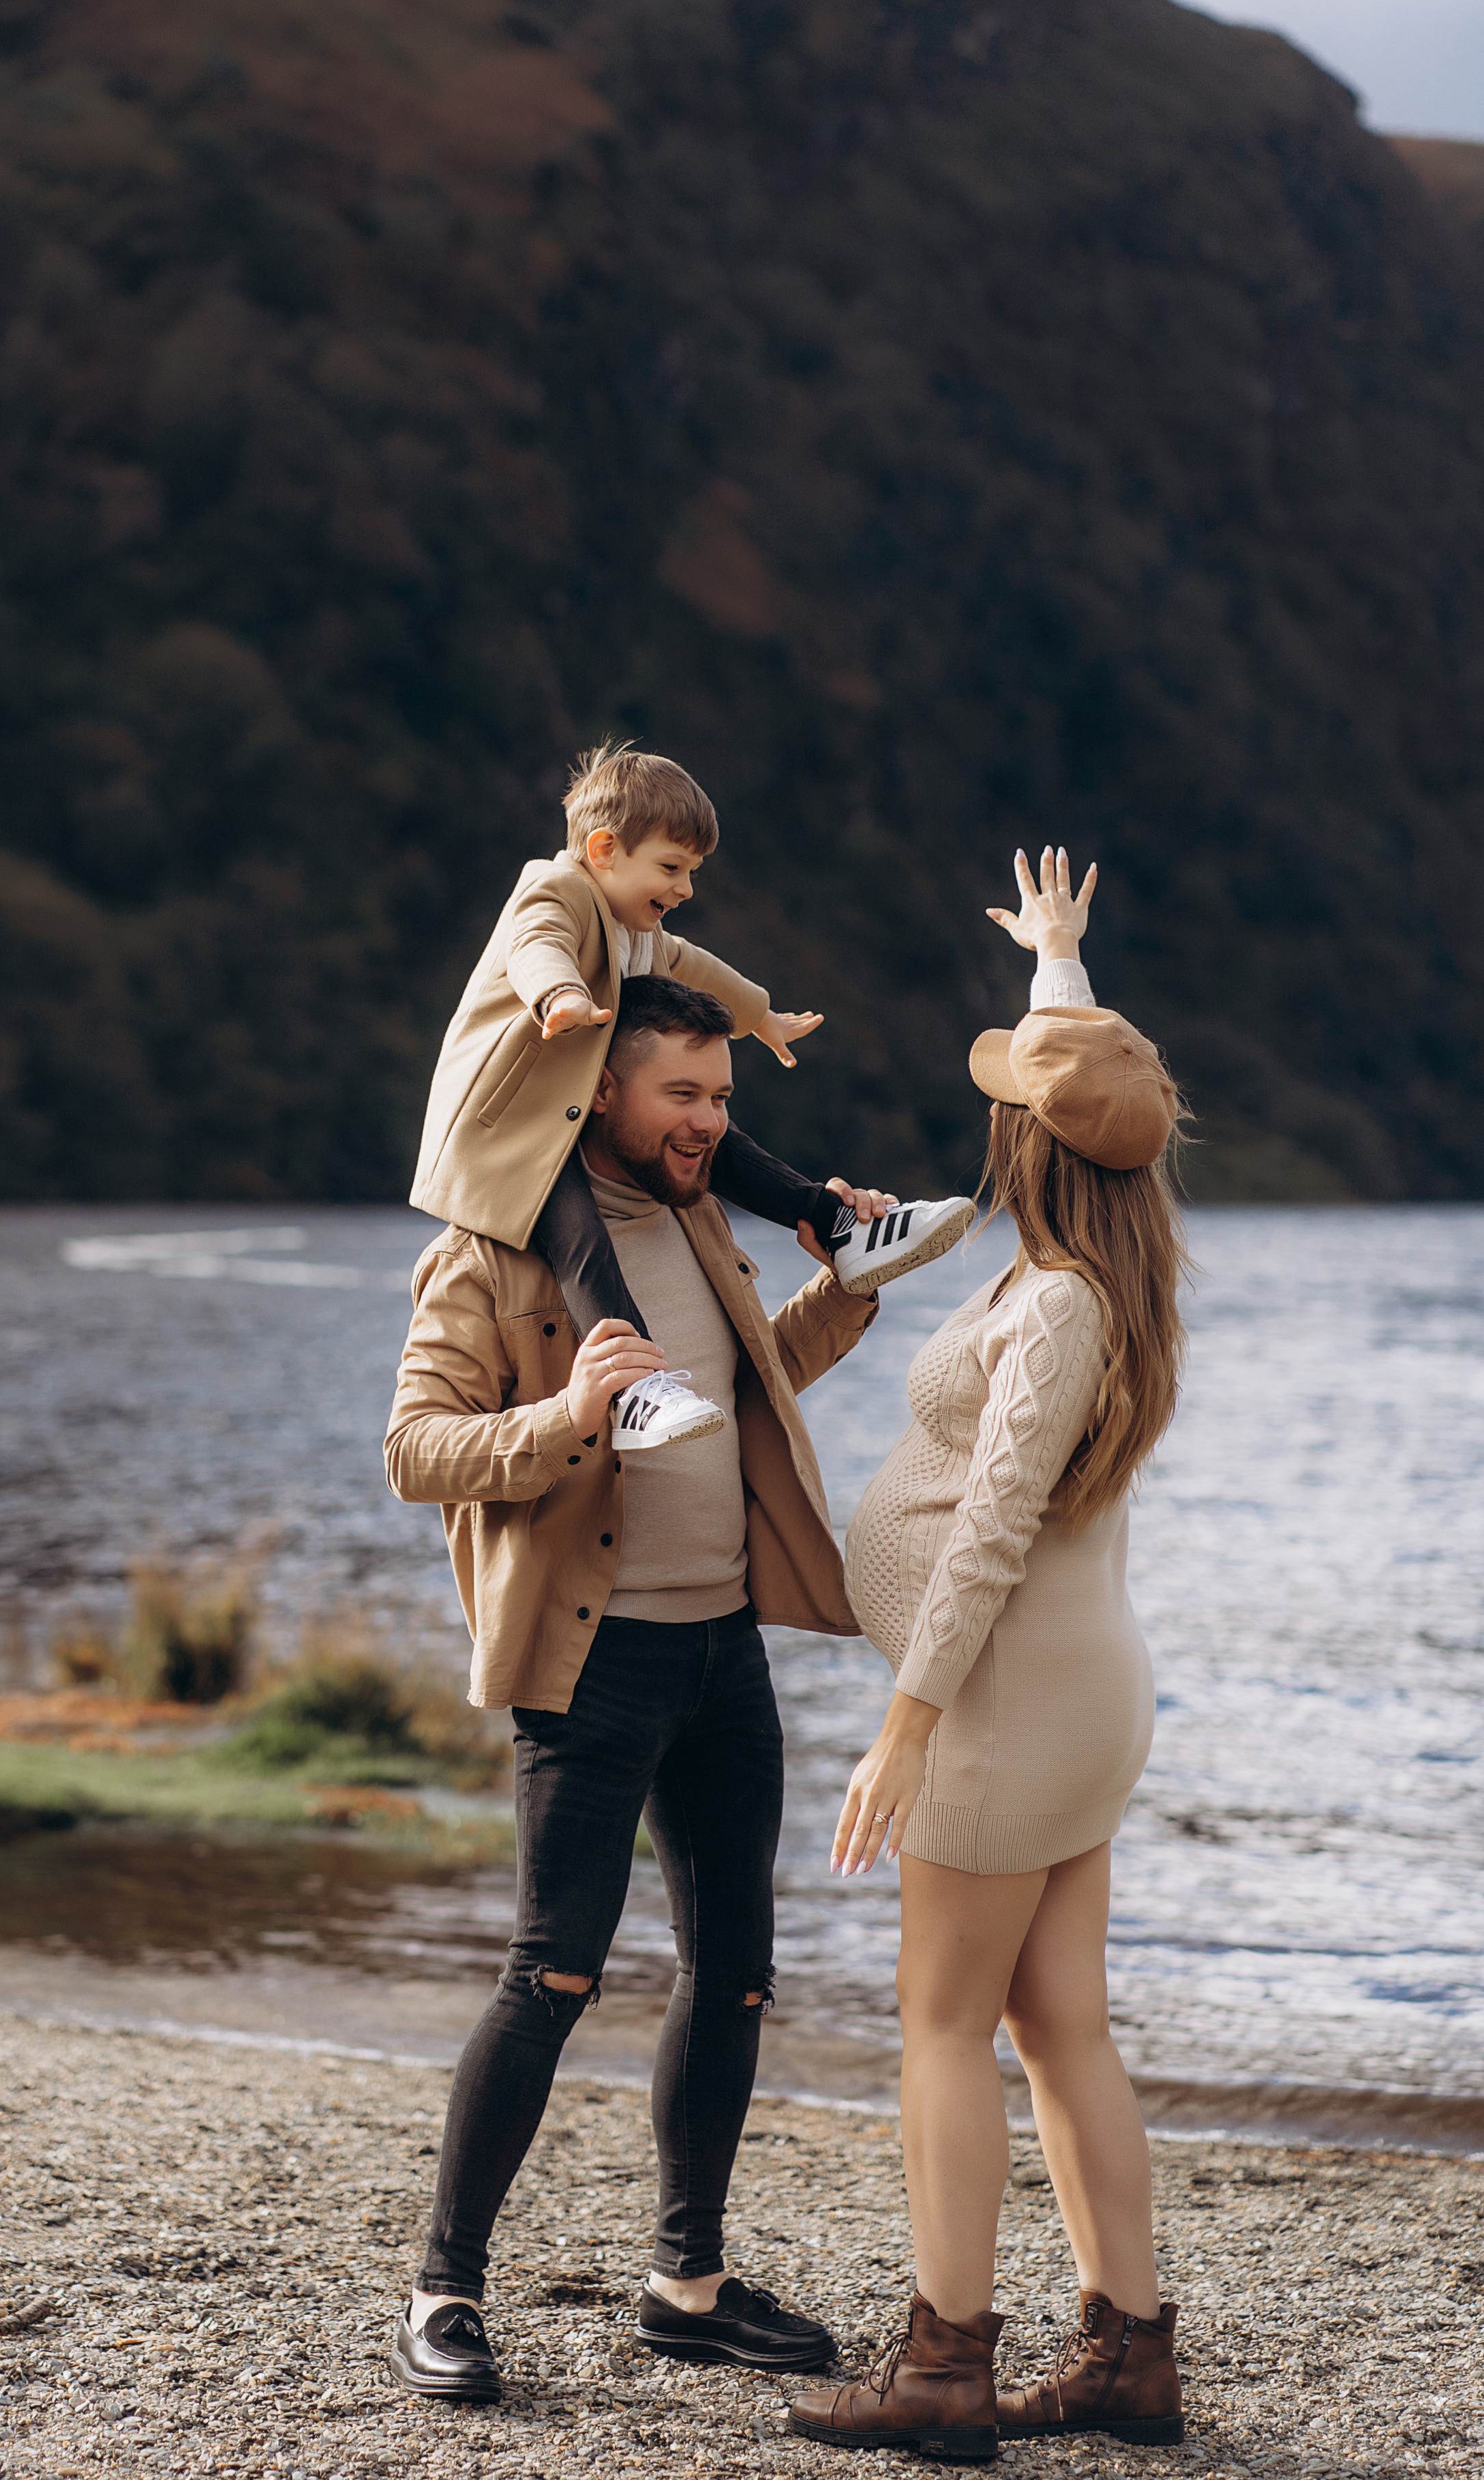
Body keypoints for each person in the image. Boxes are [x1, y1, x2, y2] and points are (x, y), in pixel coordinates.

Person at [383, 972, 893, 2404]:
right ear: (598, 1088)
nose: (707, 1124)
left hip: (723, 1650)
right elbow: (415, 1448)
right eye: (683, 1094)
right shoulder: (494, 1254)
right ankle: (442, 2291)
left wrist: (843, 1291)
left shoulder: (695, 1222)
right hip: (591, 1662)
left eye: (722, 1101)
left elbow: (750, 1387)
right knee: (552, 1969)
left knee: (732, 1974)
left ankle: (687, 2284)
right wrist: (562, 1418)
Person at [789, 848, 1190, 2464]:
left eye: (1014, 1102)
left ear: (1025, 1140)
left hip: (1006, 1703)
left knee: (941, 2025)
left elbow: (986, 1534)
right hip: (1081, 1700)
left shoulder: (1058, 1309)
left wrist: (902, 1723)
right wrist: (1056, 963)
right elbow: (1094, 1084)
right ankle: (1127, 2355)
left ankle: (943, 2367)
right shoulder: (1113, 1270)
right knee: (1059, 2026)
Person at [409, 741, 974, 1451]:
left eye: (692, 872)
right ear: (605, 849)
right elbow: (536, 944)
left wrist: (759, 1016)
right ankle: (633, 1388)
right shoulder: (557, 894)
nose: (684, 889)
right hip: (508, 1137)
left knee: (717, 1139)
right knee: (579, 1239)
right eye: (671, 868)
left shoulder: (639, 932)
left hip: (567, 1115)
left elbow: (695, 966)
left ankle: (838, 1229)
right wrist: (556, 994)